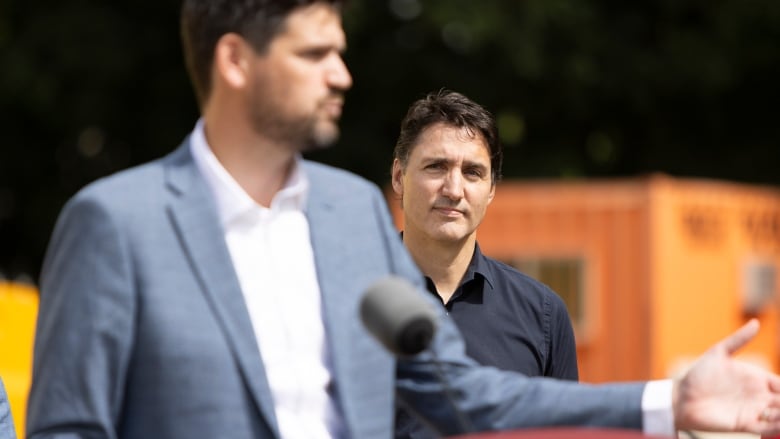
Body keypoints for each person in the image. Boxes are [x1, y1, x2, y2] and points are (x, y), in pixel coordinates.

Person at [25, 1, 780, 438]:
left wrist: (664, 400)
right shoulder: (114, 223)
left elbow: (468, 390)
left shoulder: (351, 213)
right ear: (235, 60)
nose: (342, 75)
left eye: (342, 52)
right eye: (316, 53)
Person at [391, 89, 578, 438]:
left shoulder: (543, 315)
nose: (454, 188)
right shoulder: (344, 301)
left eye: (473, 172)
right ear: (399, 176)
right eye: (436, 166)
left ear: (491, 189)